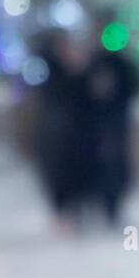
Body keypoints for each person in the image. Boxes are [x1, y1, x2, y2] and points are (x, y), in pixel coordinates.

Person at [32, 31, 92, 232]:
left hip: (76, 138)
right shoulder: (50, 72)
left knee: (75, 179)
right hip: (57, 138)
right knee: (59, 179)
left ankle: (74, 215)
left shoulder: (80, 74)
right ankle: (63, 215)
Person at [85, 27, 139, 225]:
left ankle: (113, 208)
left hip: (116, 125)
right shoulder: (94, 63)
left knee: (115, 168)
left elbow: (134, 87)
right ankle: (102, 206)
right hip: (95, 128)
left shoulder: (122, 64)